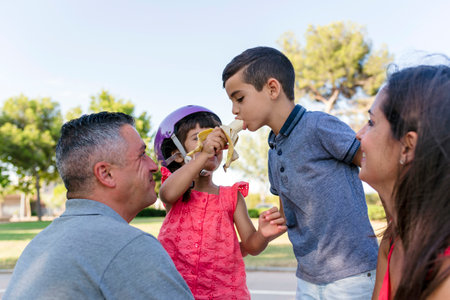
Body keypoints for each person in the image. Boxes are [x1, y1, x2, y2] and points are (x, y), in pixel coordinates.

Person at [222, 46, 379, 299]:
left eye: (239, 99)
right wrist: (269, 226)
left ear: (273, 89)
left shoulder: (318, 125)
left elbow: (374, 165)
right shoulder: (273, 150)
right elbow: (290, 213)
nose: (234, 111)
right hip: (307, 277)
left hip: (353, 273)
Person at [4, 112, 193, 299]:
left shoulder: (40, 245)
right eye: (142, 155)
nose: (154, 165)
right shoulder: (128, 245)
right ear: (106, 174)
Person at [154, 105, 287, 299]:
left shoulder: (232, 196)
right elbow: (167, 194)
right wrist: (204, 154)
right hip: (176, 292)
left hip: (224, 293)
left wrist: (263, 235)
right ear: (177, 153)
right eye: (199, 138)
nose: (211, 143)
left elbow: (251, 246)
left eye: (215, 137)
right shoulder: (176, 191)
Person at [356, 63, 450, 300]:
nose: (359, 135)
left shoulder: (444, 274)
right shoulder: (393, 240)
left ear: (408, 146)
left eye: (371, 123)